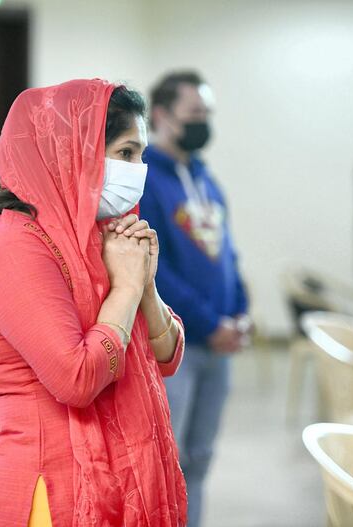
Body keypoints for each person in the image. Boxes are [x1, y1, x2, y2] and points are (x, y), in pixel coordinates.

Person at [0, 79, 187, 527]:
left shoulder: (103, 229)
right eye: (125, 154)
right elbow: (77, 378)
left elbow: (166, 355)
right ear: (73, 152)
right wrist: (124, 290)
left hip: (121, 476)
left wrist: (144, 287)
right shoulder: (12, 246)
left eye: (141, 155)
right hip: (54, 490)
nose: (138, 170)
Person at [140, 70, 250, 527]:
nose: (204, 123)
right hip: (176, 347)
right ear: (162, 116)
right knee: (168, 460)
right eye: (195, 114)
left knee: (200, 458)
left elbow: (227, 254)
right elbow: (156, 271)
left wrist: (240, 312)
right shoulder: (146, 180)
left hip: (218, 345)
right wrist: (208, 323)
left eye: (208, 113)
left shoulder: (207, 179)